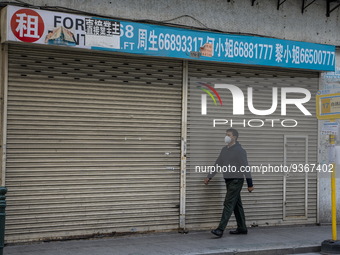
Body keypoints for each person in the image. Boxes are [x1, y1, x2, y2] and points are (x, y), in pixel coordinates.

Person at [204, 128, 254, 238]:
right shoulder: (224, 150)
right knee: (236, 205)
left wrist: (250, 184)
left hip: (236, 180)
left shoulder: (240, 151)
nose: (226, 136)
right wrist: (209, 176)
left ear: (234, 137)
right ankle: (242, 228)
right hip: (228, 180)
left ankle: (220, 229)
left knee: (228, 203)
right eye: (226, 134)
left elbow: (246, 167)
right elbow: (218, 163)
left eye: (229, 135)